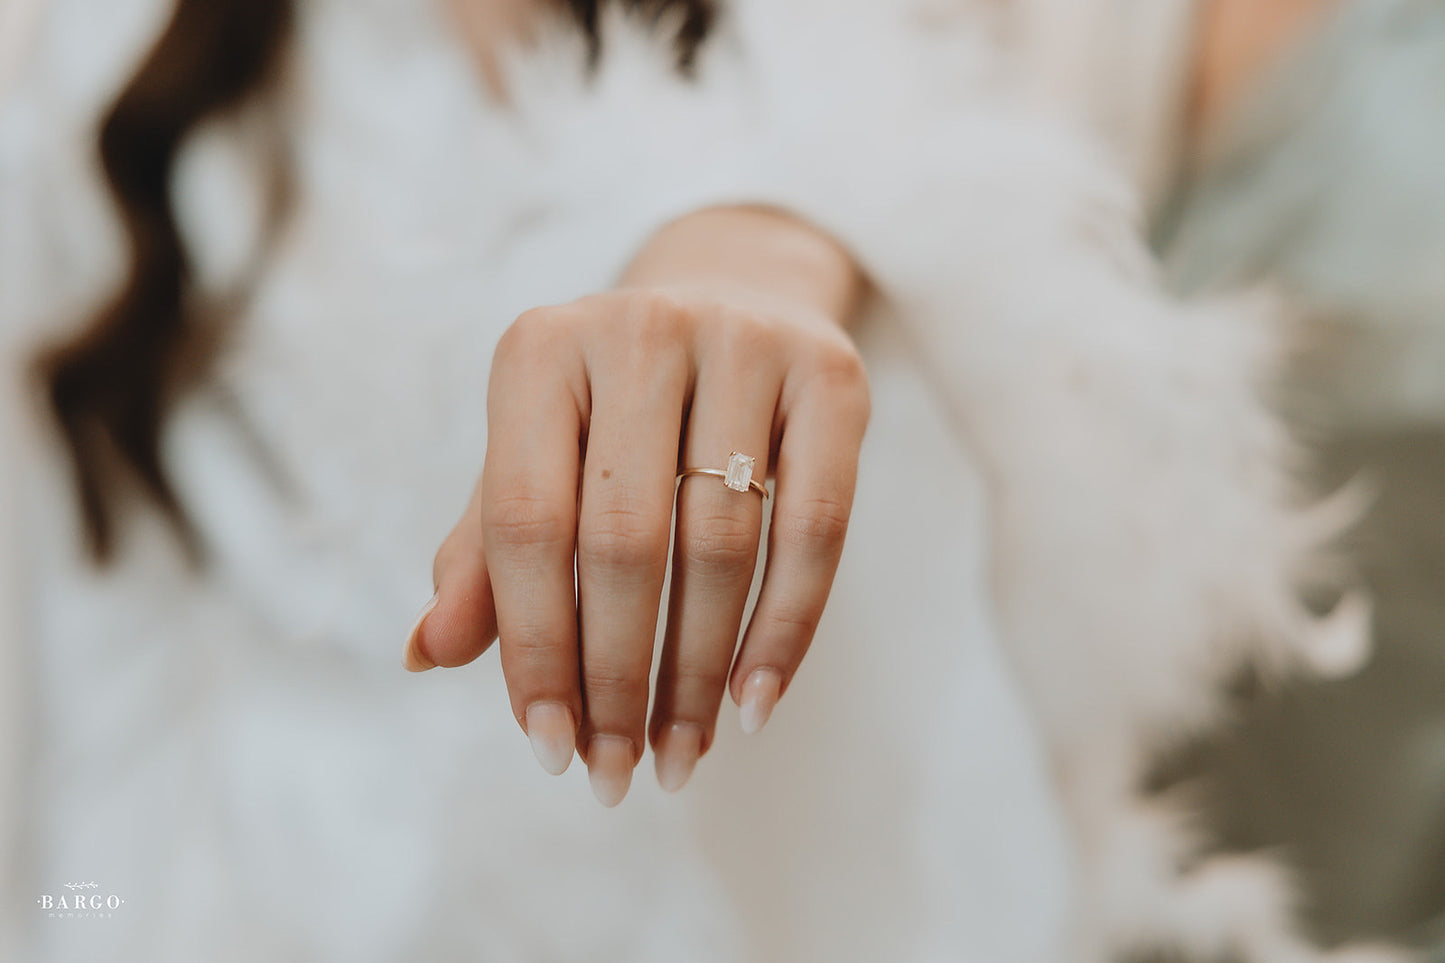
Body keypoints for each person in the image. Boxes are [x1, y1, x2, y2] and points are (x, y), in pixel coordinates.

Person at [0, 0, 1370, 960]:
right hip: (208, 881)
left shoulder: (849, 53)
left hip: (701, 889)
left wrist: (766, 255)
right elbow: (92, 616)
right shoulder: (129, 61)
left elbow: (902, 167)